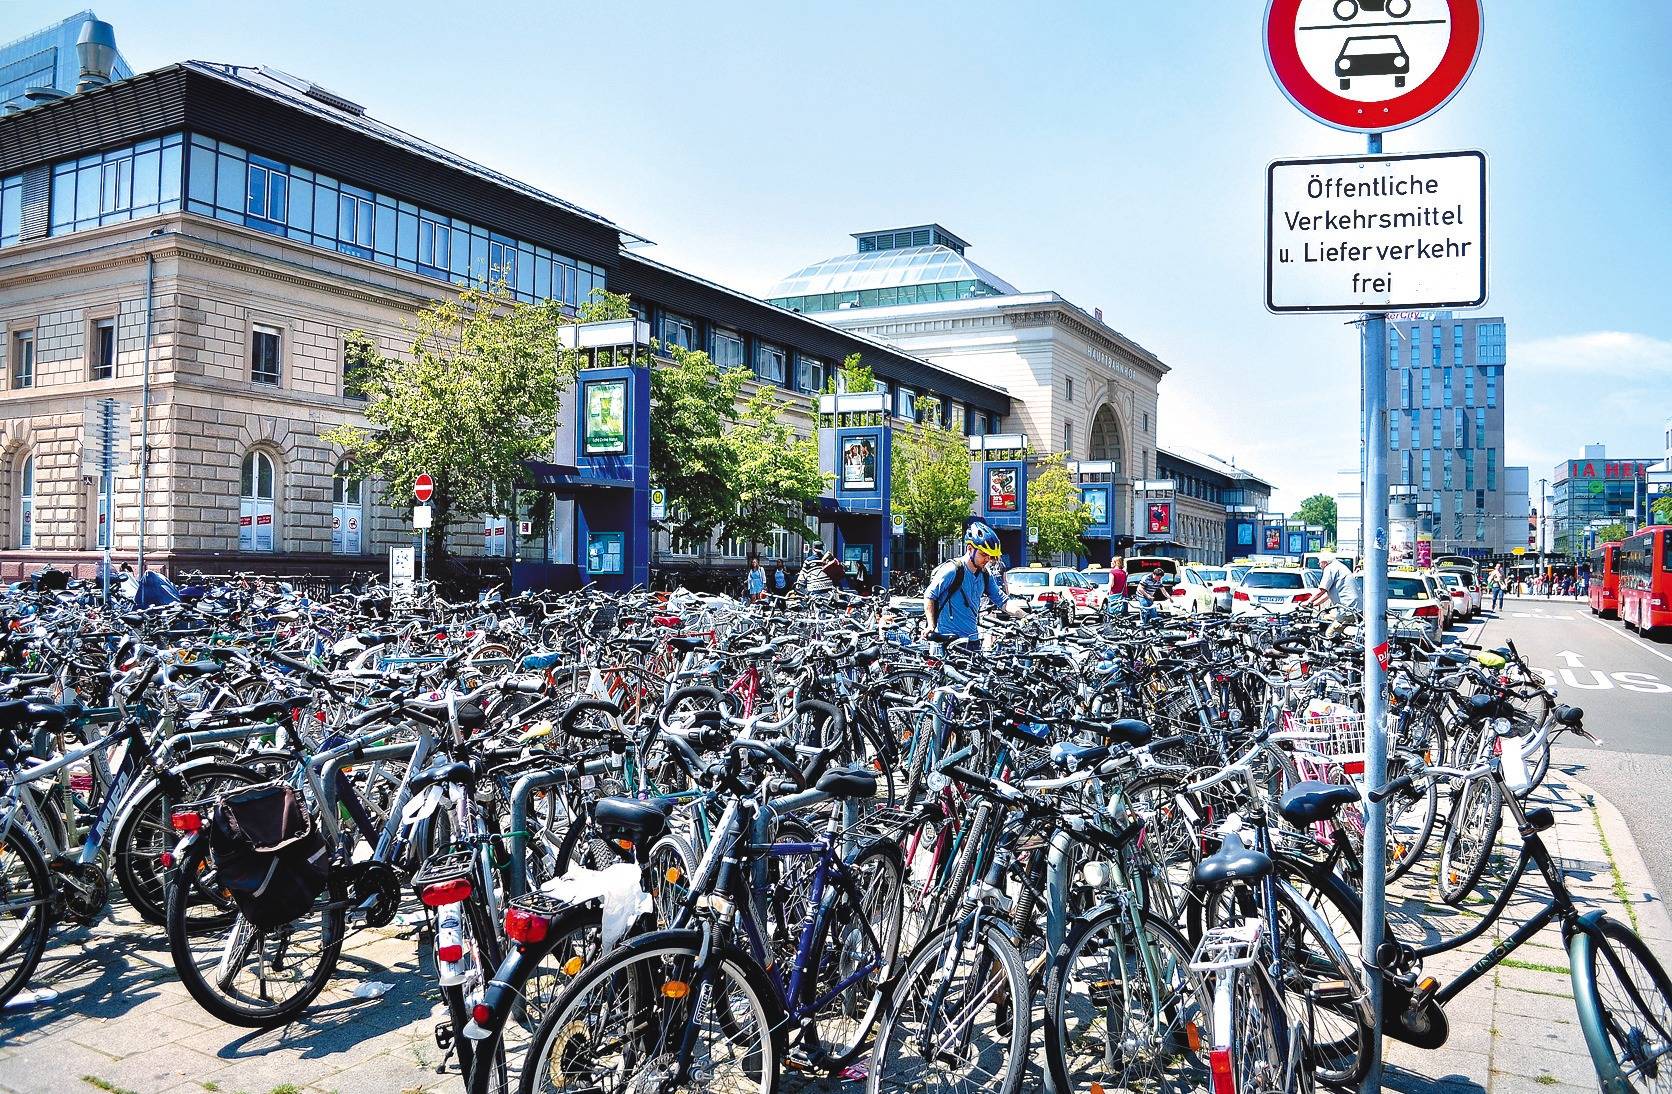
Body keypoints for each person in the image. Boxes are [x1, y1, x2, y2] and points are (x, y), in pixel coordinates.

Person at [923, 521, 1025, 642]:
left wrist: (1025, 616)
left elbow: (1002, 601)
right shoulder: (952, 570)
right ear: (970, 549)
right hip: (946, 641)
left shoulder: (985, 574)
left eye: (991, 556)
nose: (987, 559)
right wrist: (931, 625)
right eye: (983, 554)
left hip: (971, 640)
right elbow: (929, 595)